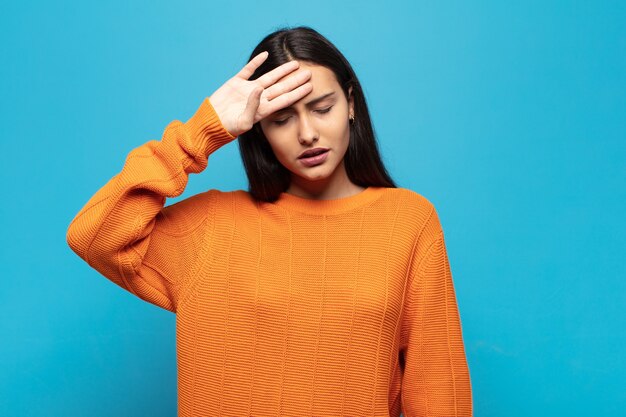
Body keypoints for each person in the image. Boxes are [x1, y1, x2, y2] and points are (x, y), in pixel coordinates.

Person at [66, 25, 472, 417]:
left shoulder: (407, 221)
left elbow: (439, 391)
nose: (307, 133)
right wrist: (200, 133)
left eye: (322, 108)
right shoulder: (212, 224)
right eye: (281, 119)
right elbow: (95, 235)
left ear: (350, 103)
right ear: (258, 129)